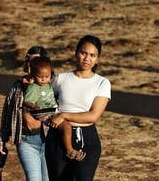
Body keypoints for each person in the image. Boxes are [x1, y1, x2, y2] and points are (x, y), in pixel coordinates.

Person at [44, 35, 111, 181]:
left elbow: (93, 116)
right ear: (76, 53)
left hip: (87, 138)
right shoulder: (61, 79)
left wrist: (64, 115)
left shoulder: (102, 83)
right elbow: (43, 99)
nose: (87, 58)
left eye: (92, 55)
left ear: (97, 59)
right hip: (58, 136)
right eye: (84, 53)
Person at [0, 46, 51, 181]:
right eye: (29, 61)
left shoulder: (52, 86)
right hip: (26, 141)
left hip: (48, 141)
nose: (32, 65)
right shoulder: (17, 87)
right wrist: (2, 140)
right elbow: (7, 114)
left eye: (37, 62)